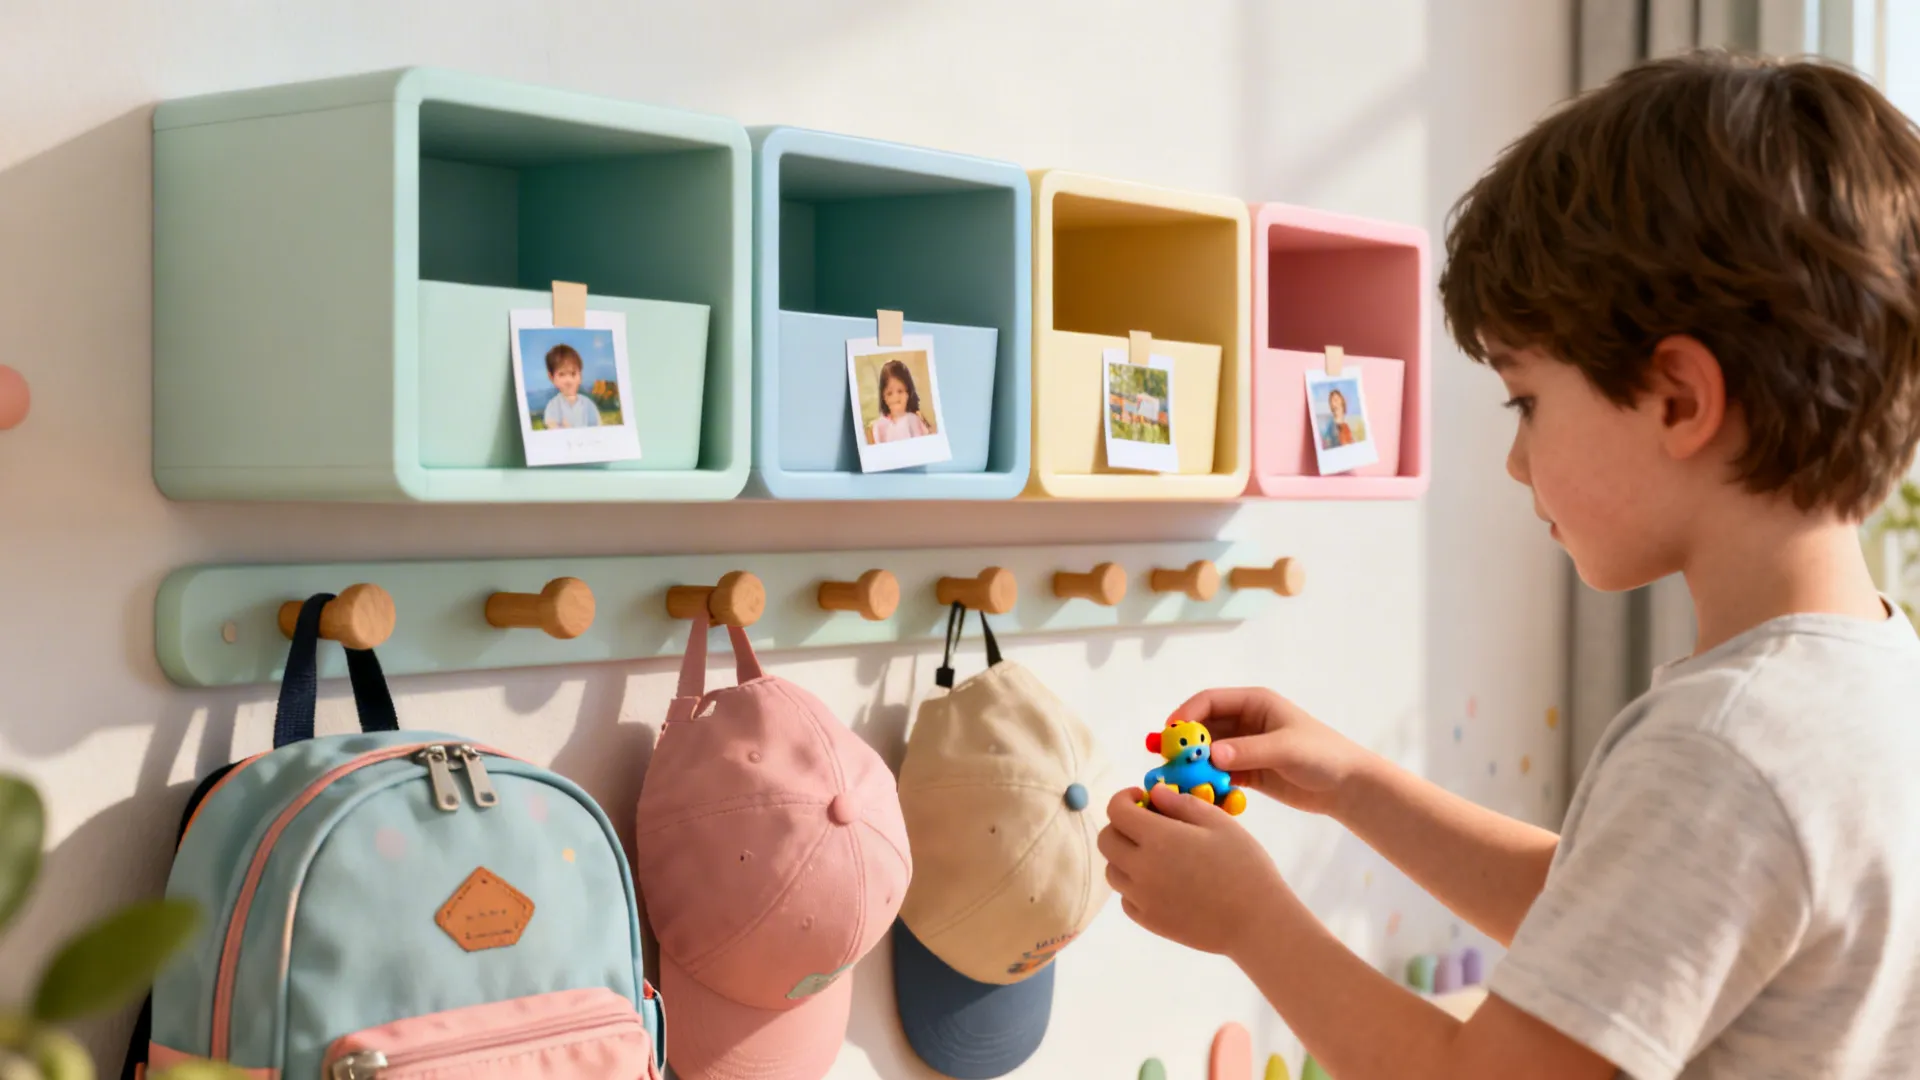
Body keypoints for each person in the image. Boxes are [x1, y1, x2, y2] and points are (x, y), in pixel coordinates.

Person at [1100, 51, 1920, 1080]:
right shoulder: (1871, 683)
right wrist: (1357, 785)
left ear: (1678, 399)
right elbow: (1612, 921)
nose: (1515, 459)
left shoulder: (1723, 746)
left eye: (1526, 401)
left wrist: (1252, 921)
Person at [869, 358, 932, 444]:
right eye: (889, 393)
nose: (895, 397)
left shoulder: (914, 420)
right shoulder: (879, 426)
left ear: (908, 393)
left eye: (900, 391)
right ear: (883, 397)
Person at [541, 343, 600, 430]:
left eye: (573, 374)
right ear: (551, 377)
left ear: (580, 376)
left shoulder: (589, 405)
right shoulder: (553, 406)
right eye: (562, 374)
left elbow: (597, 429)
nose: (568, 381)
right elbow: (552, 429)